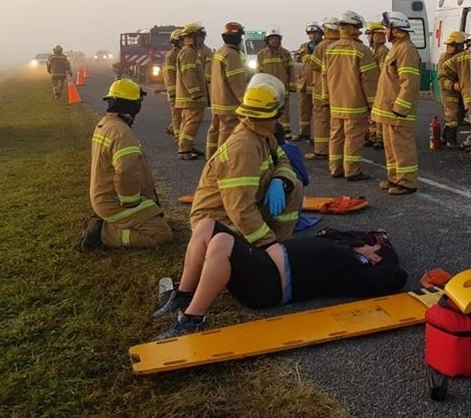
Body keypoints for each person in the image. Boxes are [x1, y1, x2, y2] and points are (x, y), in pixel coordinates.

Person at [151, 218, 407, 339]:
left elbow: (395, 277)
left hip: (268, 285)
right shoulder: (344, 247)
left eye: (374, 246)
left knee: (221, 242)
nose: (366, 243)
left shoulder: (355, 272)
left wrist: (372, 254)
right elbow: (330, 232)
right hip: (261, 263)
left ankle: (194, 320)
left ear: (377, 258)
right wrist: (356, 243)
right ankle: (183, 296)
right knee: (207, 225)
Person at [189, 73, 303, 245]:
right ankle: (271, 250)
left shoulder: (262, 134)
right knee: (266, 243)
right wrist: (269, 245)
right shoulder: (243, 149)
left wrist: (280, 180)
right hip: (221, 223)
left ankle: (284, 244)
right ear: (273, 115)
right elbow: (241, 209)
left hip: (236, 211)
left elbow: (283, 160)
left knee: (295, 186)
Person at [80, 79, 173, 250]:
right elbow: (126, 172)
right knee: (162, 233)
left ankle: (109, 224)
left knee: (157, 217)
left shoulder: (106, 124)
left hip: (105, 198)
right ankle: (103, 233)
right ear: (133, 106)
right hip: (116, 202)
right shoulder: (123, 133)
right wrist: (131, 202)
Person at [323, 11, 378, 181]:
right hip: (355, 103)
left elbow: (324, 76)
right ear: (354, 28)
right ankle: (352, 170)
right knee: (353, 138)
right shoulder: (361, 50)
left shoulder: (329, 49)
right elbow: (369, 81)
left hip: (335, 102)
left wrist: (326, 98)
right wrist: (372, 104)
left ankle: (336, 168)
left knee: (336, 136)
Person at [371, 11, 421, 195]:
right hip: (389, 110)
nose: (384, 31)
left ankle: (407, 183)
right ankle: (394, 178)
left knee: (402, 147)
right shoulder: (397, 48)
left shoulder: (406, 49)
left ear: (395, 29)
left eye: (386, 28)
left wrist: (401, 108)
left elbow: (409, 82)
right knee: (391, 147)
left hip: (398, 111)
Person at [205, 22, 248, 159]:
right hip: (229, 104)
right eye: (240, 36)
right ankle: (221, 161)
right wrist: (245, 103)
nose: (241, 39)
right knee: (227, 132)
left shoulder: (220, 51)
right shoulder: (232, 55)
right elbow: (236, 83)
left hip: (218, 101)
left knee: (215, 131)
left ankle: (211, 157)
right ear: (234, 37)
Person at [306, 17, 340, 160]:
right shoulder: (341, 44)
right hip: (338, 88)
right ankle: (337, 150)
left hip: (321, 87)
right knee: (336, 121)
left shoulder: (322, 46)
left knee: (321, 119)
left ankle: (321, 150)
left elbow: (313, 65)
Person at [175, 23, 208, 159]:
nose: (203, 39)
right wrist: (195, 93)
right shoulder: (189, 52)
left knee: (187, 122)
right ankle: (185, 149)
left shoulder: (190, 51)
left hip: (187, 97)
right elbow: (189, 74)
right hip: (192, 97)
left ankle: (185, 147)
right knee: (193, 122)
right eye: (200, 36)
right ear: (191, 37)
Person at [257, 26, 296, 137]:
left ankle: (286, 131)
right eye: (271, 39)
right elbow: (258, 73)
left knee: (284, 112)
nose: (274, 41)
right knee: (269, 111)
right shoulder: (261, 55)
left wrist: (292, 86)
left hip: (283, 88)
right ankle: (269, 131)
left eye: (276, 38)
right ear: (267, 40)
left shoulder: (286, 54)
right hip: (268, 89)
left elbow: (291, 71)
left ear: (280, 40)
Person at [439, 31, 471, 149]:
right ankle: (451, 141)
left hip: (460, 90)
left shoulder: (461, 55)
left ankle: (443, 136)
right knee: (452, 116)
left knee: (459, 115)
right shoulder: (444, 58)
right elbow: (442, 79)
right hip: (449, 91)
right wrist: (453, 85)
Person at [293, 22, 322, 142]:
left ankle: (317, 136)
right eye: (310, 34)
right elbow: (297, 57)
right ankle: (304, 133)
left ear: (321, 34)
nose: (313, 36)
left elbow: (313, 62)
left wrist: (306, 56)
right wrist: (305, 54)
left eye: (315, 33)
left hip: (317, 84)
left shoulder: (324, 46)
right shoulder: (304, 46)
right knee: (303, 112)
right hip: (304, 84)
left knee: (318, 113)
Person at [364, 20, 389, 148]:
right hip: (372, 87)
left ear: (375, 35)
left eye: (369, 34)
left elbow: (383, 72)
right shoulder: (373, 50)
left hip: (379, 87)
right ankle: (373, 137)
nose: (367, 36)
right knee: (372, 113)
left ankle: (381, 139)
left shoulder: (383, 51)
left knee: (380, 114)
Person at [162, 29, 183, 139]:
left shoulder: (185, 53)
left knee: (184, 115)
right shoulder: (171, 56)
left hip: (183, 92)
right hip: (176, 93)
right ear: (175, 42)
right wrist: (173, 93)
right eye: (182, 40)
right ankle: (178, 138)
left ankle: (172, 129)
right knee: (177, 115)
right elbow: (169, 76)